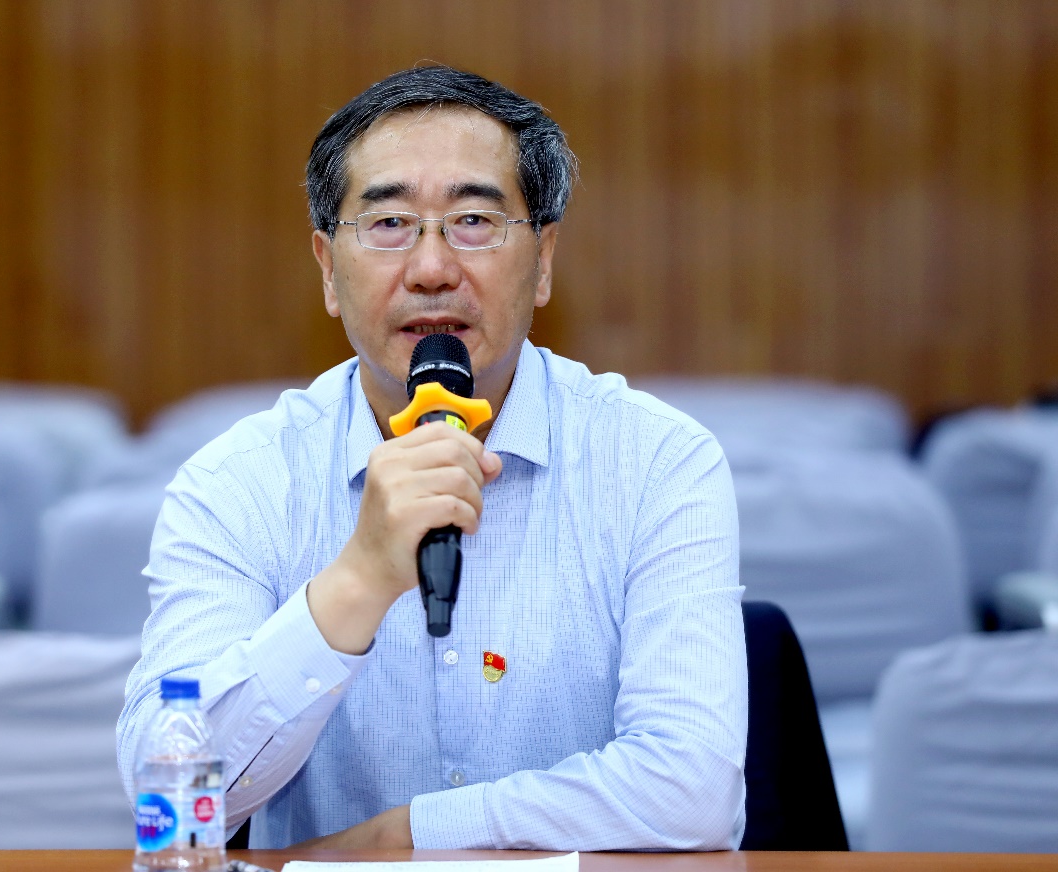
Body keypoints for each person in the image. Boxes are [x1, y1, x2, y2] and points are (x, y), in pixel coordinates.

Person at [117, 65, 747, 851]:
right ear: (328, 270)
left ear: (544, 260)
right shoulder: (238, 482)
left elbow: (692, 792)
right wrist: (357, 581)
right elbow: (169, 796)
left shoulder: (655, 461)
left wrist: (408, 836)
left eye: (474, 221)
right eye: (388, 224)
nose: (431, 269)